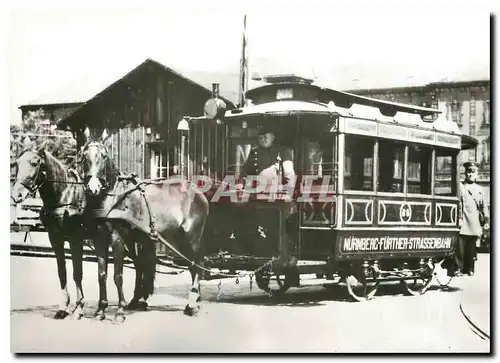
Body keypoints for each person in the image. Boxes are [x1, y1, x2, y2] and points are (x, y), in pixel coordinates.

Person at [236, 127, 299, 285]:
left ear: (273, 136)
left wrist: (287, 195)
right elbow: (245, 172)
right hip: (258, 198)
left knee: (279, 231)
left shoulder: (283, 152)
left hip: (278, 201)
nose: (263, 138)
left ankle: (288, 263)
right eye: (260, 136)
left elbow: (290, 174)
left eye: (266, 136)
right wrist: (240, 184)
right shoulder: (254, 153)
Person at [456, 162, 490, 276]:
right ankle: (459, 268)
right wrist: (459, 218)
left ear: (476, 174)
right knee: (460, 246)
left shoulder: (480, 189)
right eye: (468, 171)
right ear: (465, 173)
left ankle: (469, 268)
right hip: (463, 220)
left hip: (474, 221)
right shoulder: (460, 186)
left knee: (471, 247)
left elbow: (484, 206)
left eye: (473, 172)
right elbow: (459, 203)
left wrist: (486, 221)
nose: (470, 174)